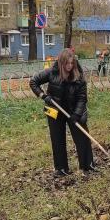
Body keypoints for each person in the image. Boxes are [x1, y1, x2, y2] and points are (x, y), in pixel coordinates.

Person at [30, 48, 96, 177]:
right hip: (55, 109)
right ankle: (61, 168)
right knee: (57, 139)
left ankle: (88, 166)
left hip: (74, 110)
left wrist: (77, 114)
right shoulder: (52, 72)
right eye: (67, 63)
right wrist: (43, 96)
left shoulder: (79, 76)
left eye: (72, 63)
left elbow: (82, 97)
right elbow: (33, 82)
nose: (69, 66)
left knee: (82, 137)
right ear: (61, 63)